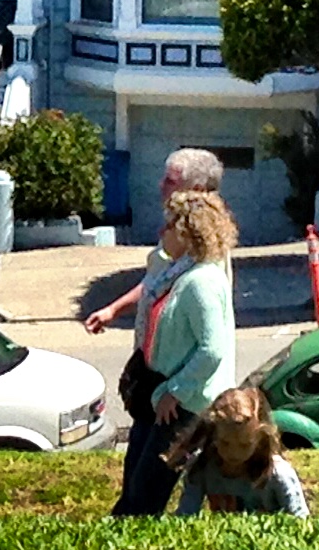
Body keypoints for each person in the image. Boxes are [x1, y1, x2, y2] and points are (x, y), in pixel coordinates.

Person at [86, 148, 241, 517]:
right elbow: (155, 284)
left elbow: (211, 349)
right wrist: (113, 309)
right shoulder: (178, 258)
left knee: (147, 491)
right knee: (136, 481)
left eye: (171, 180)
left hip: (183, 396)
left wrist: (174, 390)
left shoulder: (203, 271)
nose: (161, 187)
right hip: (158, 385)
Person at [168, 386, 310, 517]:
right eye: (225, 443)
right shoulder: (201, 467)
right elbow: (185, 515)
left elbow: (300, 521)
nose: (234, 453)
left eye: (245, 445)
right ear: (213, 434)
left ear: (260, 439)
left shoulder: (277, 474)